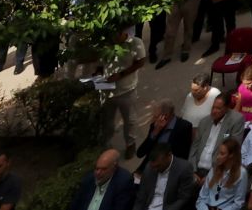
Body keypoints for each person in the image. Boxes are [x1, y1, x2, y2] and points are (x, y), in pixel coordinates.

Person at [104, 26, 148, 155]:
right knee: (106, 119)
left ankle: (130, 143)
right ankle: (106, 142)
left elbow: (141, 61)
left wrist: (121, 74)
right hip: (106, 89)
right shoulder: (104, 44)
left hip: (126, 89)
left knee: (129, 120)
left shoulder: (135, 43)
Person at [159, 0, 207, 68]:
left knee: (188, 27)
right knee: (170, 30)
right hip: (175, 1)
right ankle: (166, 55)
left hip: (192, 1)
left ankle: (186, 49)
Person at [189, 95, 245, 181]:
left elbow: (234, 149)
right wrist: (192, 170)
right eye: (213, 107)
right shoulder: (204, 121)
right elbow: (194, 147)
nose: (214, 111)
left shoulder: (236, 121)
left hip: (217, 171)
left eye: (218, 108)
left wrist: (214, 174)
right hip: (196, 170)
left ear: (226, 108)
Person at [65, 149, 136, 210]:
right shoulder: (88, 179)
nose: (98, 173)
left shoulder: (123, 183)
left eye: (103, 169)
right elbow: (75, 205)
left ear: (114, 168)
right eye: (97, 168)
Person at [134, 99, 193, 169]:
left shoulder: (184, 127)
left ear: (165, 116)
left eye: (155, 116)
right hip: (150, 166)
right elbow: (140, 153)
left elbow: (184, 155)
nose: (153, 119)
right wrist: (155, 132)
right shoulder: (155, 125)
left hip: (170, 168)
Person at [195, 145, 247, 210]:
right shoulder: (214, 168)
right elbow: (202, 198)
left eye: (222, 154)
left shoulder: (241, 173)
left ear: (231, 155)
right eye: (218, 153)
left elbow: (238, 203)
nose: (217, 157)